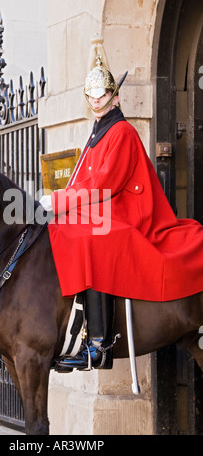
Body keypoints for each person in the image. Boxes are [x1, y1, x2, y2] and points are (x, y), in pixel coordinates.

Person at [39, 39, 203, 371]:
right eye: (92, 96)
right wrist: (61, 205)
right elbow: (85, 184)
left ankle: (98, 345)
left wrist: (58, 201)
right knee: (64, 231)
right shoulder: (97, 133)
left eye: (102, 95)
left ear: (115, 97)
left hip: (131, 214)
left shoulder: (122, 132)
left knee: (92, 238)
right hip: (107, 208)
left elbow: (103, 186)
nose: (96, 101)